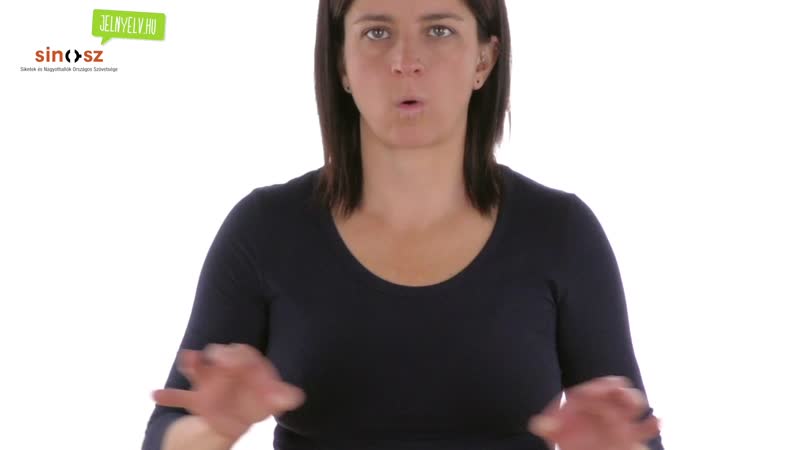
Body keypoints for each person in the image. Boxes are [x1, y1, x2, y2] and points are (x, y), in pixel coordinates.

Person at [142, 1, 665, 449]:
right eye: (377, 32)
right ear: (341, 63)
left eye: (438, 30)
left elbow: (636, 435)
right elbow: (168, 432)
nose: (405, 61)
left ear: (484, 59)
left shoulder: (561, 233)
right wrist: (214, 426)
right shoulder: (265, 230)